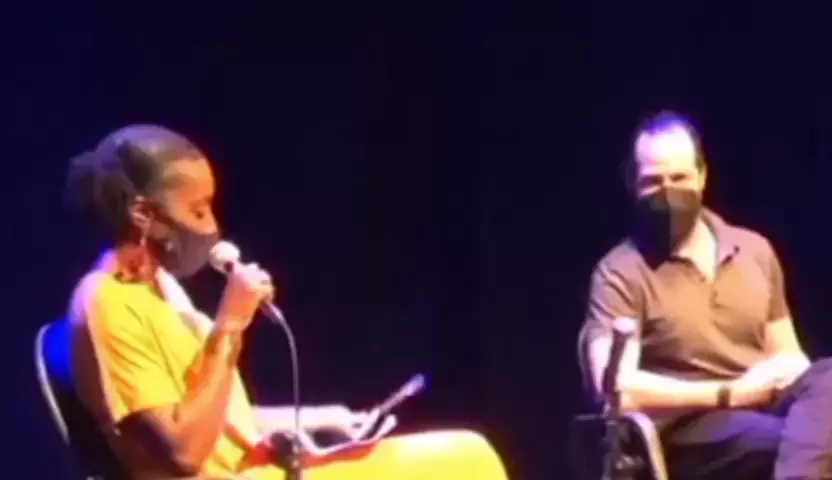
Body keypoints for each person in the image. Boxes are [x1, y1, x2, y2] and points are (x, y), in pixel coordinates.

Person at [63, 124, 509, 480]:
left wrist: (319, 419)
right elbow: (183, 451)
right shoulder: (106, 301)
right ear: (143, 214)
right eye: (197, 211)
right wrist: (230, 325)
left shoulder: (163, 294)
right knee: (465, 460)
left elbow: (225, 424)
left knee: (468, 453)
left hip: (261, 471)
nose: (211, 226)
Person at [579, 110, 832, 479]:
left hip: (765, 407)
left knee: (825, 379)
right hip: (692, 426)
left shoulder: (754, 250)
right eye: (653, 182)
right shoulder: (620, 272)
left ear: (702, 176)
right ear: (632, 184)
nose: (667, 192)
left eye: (679, 178)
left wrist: (786, 373)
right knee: (797, 443)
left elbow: (789, 355)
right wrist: (729, 393)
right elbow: (619, 390)